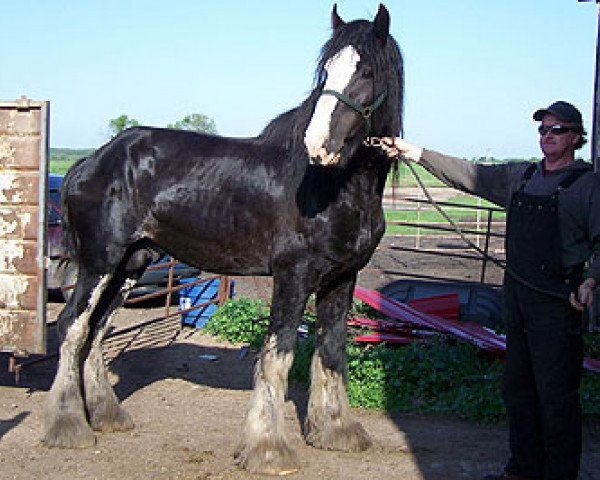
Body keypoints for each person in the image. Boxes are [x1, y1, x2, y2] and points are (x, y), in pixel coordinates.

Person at [381, 101, 600, 480]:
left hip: (557, 303)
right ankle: (522, 470)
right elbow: (469, 174)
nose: (547, 136)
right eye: (543, 129)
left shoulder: (588, 186)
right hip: (515, 297)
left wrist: (591, 279)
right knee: (518, 389)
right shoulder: (522, 177)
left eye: (557, 130)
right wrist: (414, 152)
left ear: (576, 137)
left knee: (556, 397)